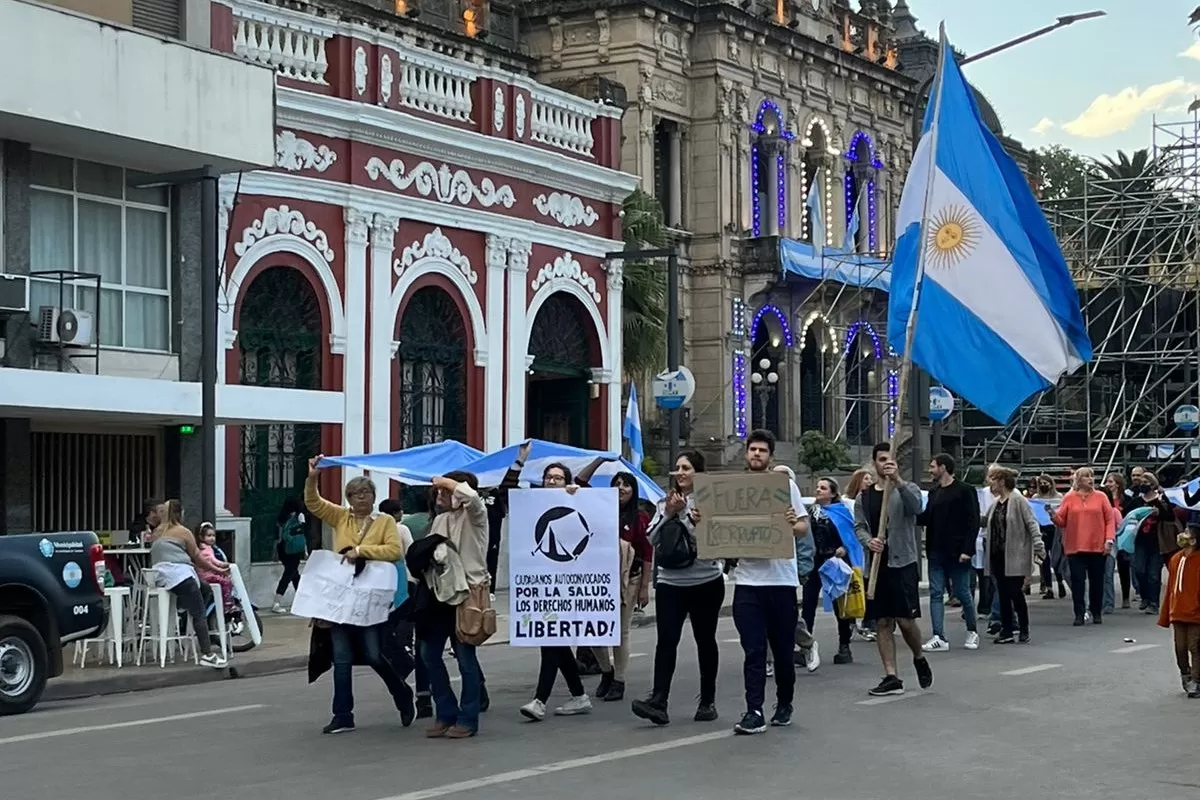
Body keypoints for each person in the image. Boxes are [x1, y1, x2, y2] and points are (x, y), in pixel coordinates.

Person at [304, 457, 413, 734]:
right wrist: (313, 477)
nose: (361, 498)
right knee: (341, 658)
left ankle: (402, 693)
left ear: (374, 497)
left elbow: (394, 551)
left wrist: (362, 551)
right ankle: (343, 714)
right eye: (355, 494)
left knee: (374, 655)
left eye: (366, 493)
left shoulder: (385, 521)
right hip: (342, 599)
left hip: (371, 600)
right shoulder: (341, 517)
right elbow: (314, 504)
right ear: (348, 498)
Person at [632, 450, 724, 727]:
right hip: (671, 582)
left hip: (705, 580)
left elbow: (716, 541)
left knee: (705, 640)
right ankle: (659, 700)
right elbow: (651, 537)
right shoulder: (665, 502)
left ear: (698, 473)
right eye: (678, 468)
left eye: (686, 468)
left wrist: (692, 520)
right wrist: (671, 513)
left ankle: (707, 700)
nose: (681, 472)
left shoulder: (712, 502)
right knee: (666, 641)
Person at [727, 431, 808, 734]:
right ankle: (754, 710)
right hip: (748, 583)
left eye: (762, 450)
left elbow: (802, 526)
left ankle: (784, 701)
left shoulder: (785, 487)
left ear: (770, 456)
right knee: (754, 650)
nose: (756, 454)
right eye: (752, 449)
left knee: (784, 652)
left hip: (781, 582)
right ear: (746, 454)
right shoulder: (734, 490)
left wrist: (791, 522)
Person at [854, 443, 931, 697]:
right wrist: (869, 541)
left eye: (890, 459)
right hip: (877, 566)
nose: (886, 463)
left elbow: (917, 509)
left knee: (906, 621)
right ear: (874, 462)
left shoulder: (908, 489)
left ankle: (918, 656)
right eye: (881, 459)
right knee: (883, 622)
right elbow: (859, 527)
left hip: (902, 562)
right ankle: (891, 676)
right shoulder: (863, 497)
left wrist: (897, 480)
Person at [417, 470, 490, 739]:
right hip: (438, 596)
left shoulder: (476, 518)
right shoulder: (440, 521)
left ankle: (468, 718)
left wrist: (445, 481)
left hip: (467, 595)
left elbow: (473, 499)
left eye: (447, 492)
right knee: (428, 654)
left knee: (465, 658)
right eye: (438, 491)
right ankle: (444, 712)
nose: (440, 494)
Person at [519, 461, 595, 721]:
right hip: (541, 584)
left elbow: (597, 509)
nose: (552, 482)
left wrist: (578, 494)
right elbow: (507, 492)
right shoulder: (531, 503)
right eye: (548, 477)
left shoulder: (576, 500)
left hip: (568, 585)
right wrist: (519, 461)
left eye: (558, 478)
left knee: (552, 641)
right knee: (556, 641)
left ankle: (540, 700)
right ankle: (579, 695)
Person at [591, 471, 652, 702]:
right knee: (593, 631)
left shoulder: (641, 517)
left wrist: (645, 587)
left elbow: (647, 553)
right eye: (616, 484)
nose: (621, 488)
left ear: (633, 489)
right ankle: (606, 671)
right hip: (600, 581)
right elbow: (580, 484)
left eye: (626, 484)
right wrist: (598, 462)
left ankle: (619, 679)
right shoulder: (600, 513)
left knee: (621, 631)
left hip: (630, 579)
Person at [148, 500, 227, 669]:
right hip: (181, 577)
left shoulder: (157, 533)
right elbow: (198, 558)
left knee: (205, 588)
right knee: (199, 614)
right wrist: (218, 569)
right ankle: (207, 654)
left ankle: (184, 613)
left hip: (160, 578)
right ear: (180, 514)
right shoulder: (183, 532)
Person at [919, 453, 981, 652]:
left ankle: (972, 630)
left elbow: (973, 521)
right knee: (936, 592)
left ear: (943, 467)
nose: (930, 470)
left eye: (932, 466)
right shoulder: (934, 492)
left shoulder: (965, 490)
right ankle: (939, 636)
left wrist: (967, 549)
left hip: (957, 551)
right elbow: (927, 517)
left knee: (962, 592)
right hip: (936, 549)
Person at [983, 467, 1045, 643]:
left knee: (1014, 592)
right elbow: (985, 521)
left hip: (1014, 554)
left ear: (1002, 481)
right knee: (1002, 593)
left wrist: (1038, 545)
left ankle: (1023, 627)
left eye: (993, 480)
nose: (990, 483)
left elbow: (1031, 523)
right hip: (997, 555)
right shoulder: (996, 504)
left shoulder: (1018, 500)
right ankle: (1007, 630)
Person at [805, 477, 862, 665]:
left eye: (823, 488)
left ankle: (844, 646)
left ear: (832, 493)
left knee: (841, 606)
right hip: (814, 563)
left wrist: (844, 548)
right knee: (808, 604)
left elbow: (851, 535)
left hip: (835, 562)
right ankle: (805, 646)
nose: (818, 490)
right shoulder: (810, 512)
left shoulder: (841, 512)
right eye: (817, 487)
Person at [1052, 467, 1116, 626]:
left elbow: (1110, 520)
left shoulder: (1101, 497)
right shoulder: (1069, 497)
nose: (1091, 479)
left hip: (1097, 546)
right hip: (1075, 547)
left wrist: (1109, 539)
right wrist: (1053, 516)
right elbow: (1062, 521)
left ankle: (1096, 611)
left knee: (1097, 582)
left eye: (1092, 476)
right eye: (1087, 476)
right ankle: (1079, 613)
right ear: (1079, 480)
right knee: (1078, 582)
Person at [1158, 524, 1200, 697]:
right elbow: (1171, 589)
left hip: (1196, 613)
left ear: (1194, 539)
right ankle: (1186, 674)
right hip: (1178, 611)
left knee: (1195, 646)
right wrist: (1166, 611)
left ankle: (1197, 681)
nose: (1182, 535)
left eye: (1187, 533)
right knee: (1180, 647)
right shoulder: (1175, 559)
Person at [1134, 472, 1183, 615]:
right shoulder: (1137, 500)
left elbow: (1170, 516)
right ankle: (1145, 597)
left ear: (1152, 483)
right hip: (1141, 540)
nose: (1143, 484)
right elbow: (1127, 513)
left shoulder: (1162, 499)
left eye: (1146, 482)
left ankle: (1154, 603)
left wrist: (1159, 512)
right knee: (1139, 570)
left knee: (1153, 574)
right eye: (1141, 482)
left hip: (1158, 541)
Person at [272, 497, 307, 614]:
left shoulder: (281, 517)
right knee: (289, 574)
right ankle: (277, 602)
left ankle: (301, 601)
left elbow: (277, 538)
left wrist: (275, 552)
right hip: (294, 549)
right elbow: (301, 533)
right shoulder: (299, 516)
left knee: (293, 573)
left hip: (282, 549)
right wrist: (305, 550)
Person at [196, 522, 234, 613]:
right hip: (207, 576)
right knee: (226, 582)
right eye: (209, 535)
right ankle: (227, 604)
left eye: (213, 535)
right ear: (201, 537)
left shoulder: (207, 548)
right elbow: (213, 561)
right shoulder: (206, 549)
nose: (212, 538)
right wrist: (224, 565)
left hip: (205, 575)